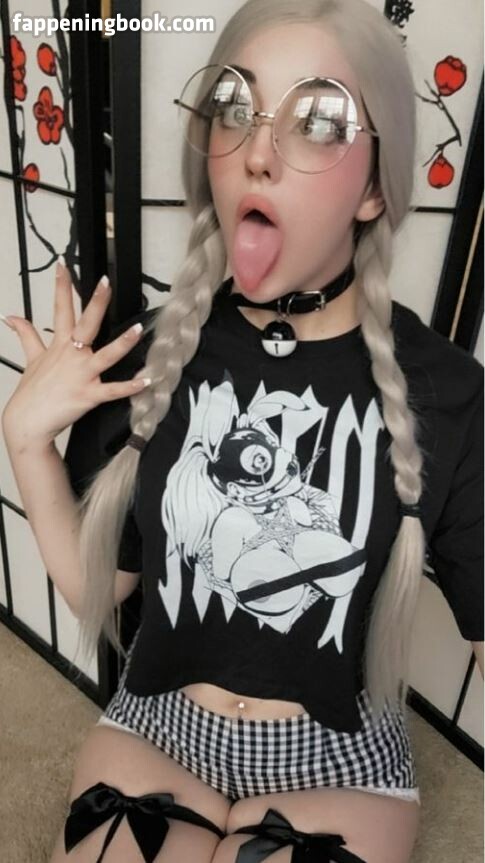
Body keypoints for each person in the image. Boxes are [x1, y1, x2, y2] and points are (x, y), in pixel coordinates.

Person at [2, 1, 483, 861]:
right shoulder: (150, 353)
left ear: (375, 186)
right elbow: (98, 591)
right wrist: (26, 440)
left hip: (338, 759)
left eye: (319, 120)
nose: (258, 152)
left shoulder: (444, 392)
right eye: (233, 106)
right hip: (157, 724)